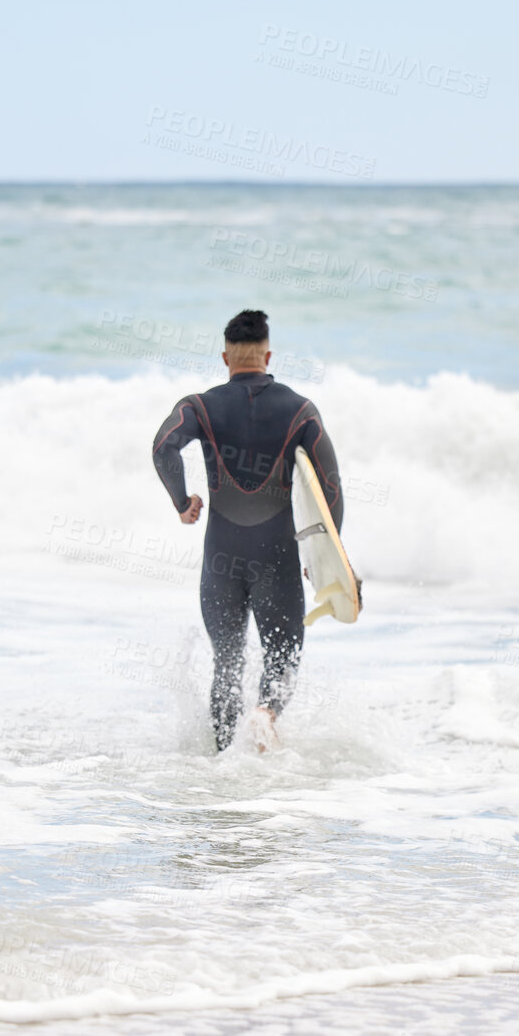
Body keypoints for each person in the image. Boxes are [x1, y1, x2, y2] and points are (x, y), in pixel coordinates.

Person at [151, 309, 344, 752]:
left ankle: (221, 769)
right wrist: (325, 556)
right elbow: (330, 485)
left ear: (225, 358)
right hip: (277, 555)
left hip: (221, 555)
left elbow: (164, 448)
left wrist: (183, 503)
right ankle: (266, 714)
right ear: (268, 355)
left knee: (227, 663)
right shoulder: (299, 410)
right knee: (282, 661)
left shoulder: (199, 405)